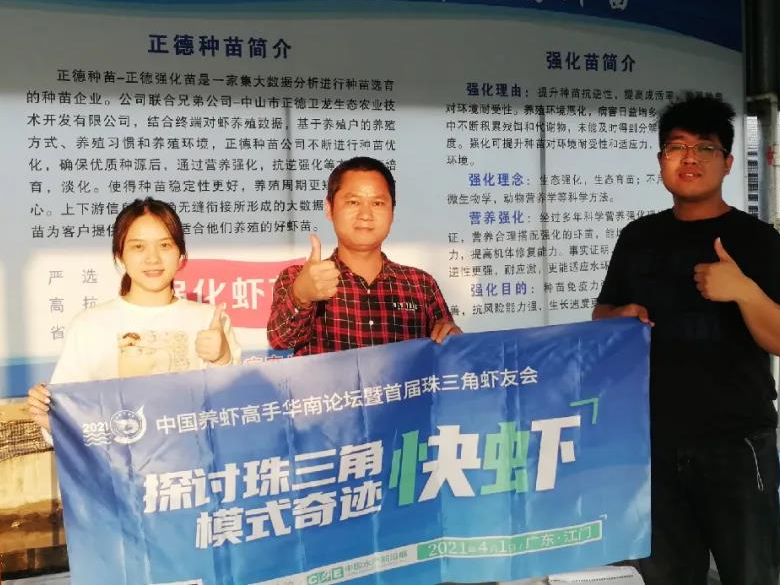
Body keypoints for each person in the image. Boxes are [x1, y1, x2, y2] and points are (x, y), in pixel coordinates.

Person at [593, 95, 780, 585]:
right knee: (666, 576)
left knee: (749, 575)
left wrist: (743, 291)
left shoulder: (757, 241)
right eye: (676, 147)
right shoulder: (637, 237)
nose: (689, 158)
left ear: (727, 163)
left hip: (736, 444)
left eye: (705, 148)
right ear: (660, 160)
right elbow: (602, 314)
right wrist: (620, 316)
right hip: (654, 442)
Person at [27, 197, 241, 436]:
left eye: (165, 245)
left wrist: (222, 359)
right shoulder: (89, 325)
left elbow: (233, 411)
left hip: (191, 457)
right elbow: (70, 416)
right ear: (120, 255)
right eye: (138, 247)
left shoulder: (209, 319)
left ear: (181, 254)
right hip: (119, 458)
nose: (153, 258)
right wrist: (49, 416)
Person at [267, 156, 461, 355]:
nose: (365, 215)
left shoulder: (422, 285)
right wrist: (301, 296)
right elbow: (280, 340)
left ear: (392, 213)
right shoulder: (297, 278)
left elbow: (450, 355)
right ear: (329, 209)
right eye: (353, 202)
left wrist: (454, 340)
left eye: (377, 203)